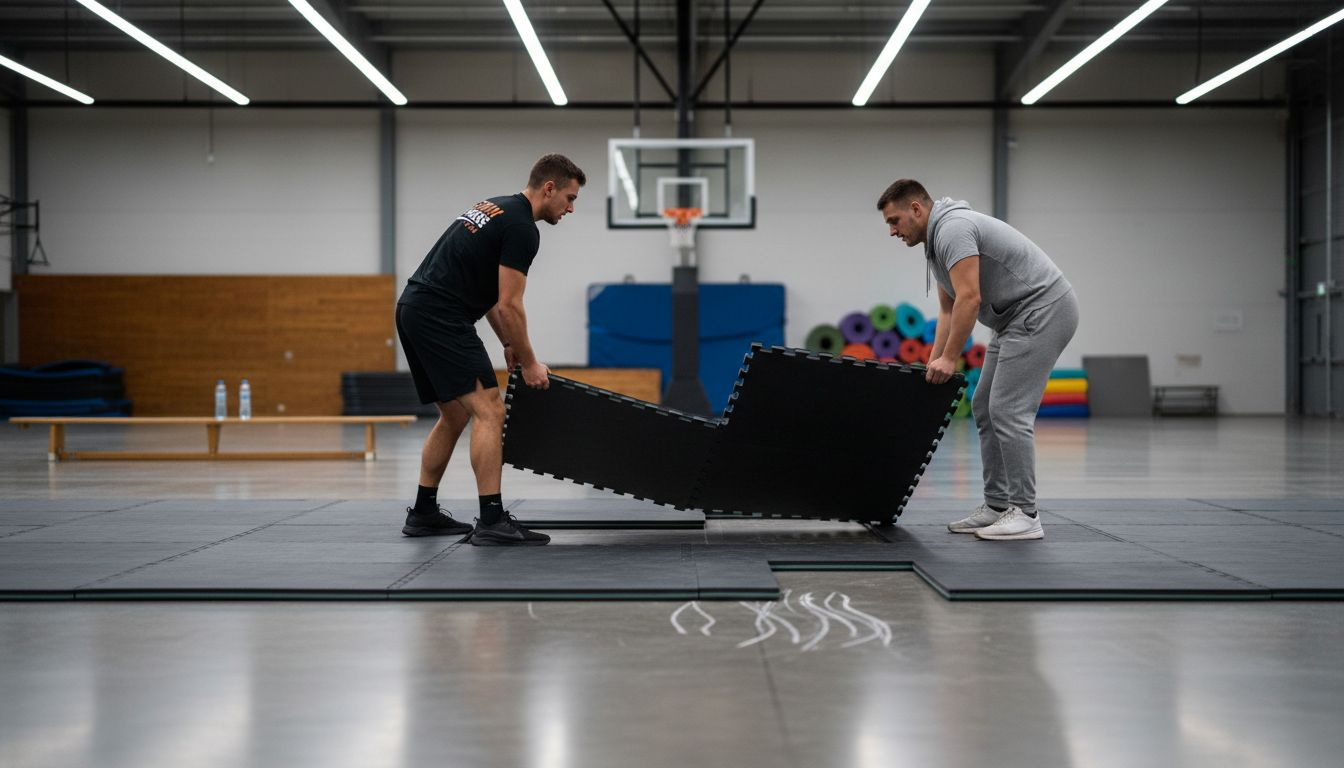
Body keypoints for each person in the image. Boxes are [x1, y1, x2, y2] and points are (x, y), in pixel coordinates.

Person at [396, 154, 585, 546]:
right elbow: (509, 305)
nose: (570, 208)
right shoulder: (522, 228)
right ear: (548, 188)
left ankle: (424, 513)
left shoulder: (497, 207)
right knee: (490, 410)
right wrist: (531, 362)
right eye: (569, 198)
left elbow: (485, 295)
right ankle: (492, 520)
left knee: (452, 415)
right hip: (440, 316)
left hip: (414, 308)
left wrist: (508, 343)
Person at [878, 179, 1079, 541]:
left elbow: (969, 299)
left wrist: (951, 359)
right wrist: (934, 360)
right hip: (1013, 320)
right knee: (984, 405)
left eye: (894, 221)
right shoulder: (936, 245)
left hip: (1043, 310)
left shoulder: (953, 230)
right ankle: (998, 505)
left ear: (917, 210)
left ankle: (1027, 513)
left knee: (1008, 410)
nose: (892, 231)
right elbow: (947, 308)